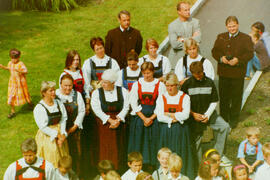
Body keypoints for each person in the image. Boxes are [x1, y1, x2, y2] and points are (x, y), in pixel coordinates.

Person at [181, 61, 230, 164]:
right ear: (192, 73)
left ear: (203, 71)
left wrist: (207, 115)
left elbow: (214, 101)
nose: (198, 76)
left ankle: (218, 155)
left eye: (200, 73)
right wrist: (193, 114)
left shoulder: (210, 82)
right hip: (193, 116)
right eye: (195, 74)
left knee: (224, 127)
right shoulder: (187, 84)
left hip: (209, 114)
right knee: (196, 139)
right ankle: (198, 163)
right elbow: (182, 103)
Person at [211, 16, 254, 127]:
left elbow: (250, 54)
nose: (232, 28)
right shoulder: (221, 37)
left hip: (237, 74)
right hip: (224, 73)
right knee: (224, 97)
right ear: (226, 26)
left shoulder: (245, 38)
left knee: (236, 97)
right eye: (229, 26)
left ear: (238, 25)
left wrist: (238, 60)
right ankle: (224, 119)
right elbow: (214, 51)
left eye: (234, 26)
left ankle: (234, 119)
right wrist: (221, 58)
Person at [156, 73, 194, 179]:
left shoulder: (185, 97)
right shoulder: (161, 97)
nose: (169, 88)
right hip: (166, 130)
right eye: (167, 85)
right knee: (166, 155)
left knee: (180, 154)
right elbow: (159, 116)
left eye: (172, 85)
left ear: (177, 85)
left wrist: (168, 114)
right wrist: (174, 118)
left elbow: (185, 115)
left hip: (180, 130)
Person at [129, 62, 166, 169]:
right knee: (139, 143)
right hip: (141, 118)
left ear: (153, 72)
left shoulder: (160, 85)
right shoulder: (137, 84)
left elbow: (161, 104)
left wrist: (151, 118)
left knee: (153, 142)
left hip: (154, 118)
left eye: (149, 73)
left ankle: (153, 167)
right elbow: (133, 103)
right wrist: (144, 118)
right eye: (144, 73)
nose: (147, 75)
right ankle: (139, 167)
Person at [91, 69, 129, 169]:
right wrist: (109, 120)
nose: (102, 84)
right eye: (102, 81)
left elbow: (126, 107)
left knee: (119, 148)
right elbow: (96, 109)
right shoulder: (96, 93)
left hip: (119, 125)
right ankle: (105, 170)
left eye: (105, 82)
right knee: (105, 149)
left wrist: (118, 120)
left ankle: (119, 170)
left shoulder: (123, 91)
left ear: (113, 82)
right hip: (104, 126)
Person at [33, 81, 69, 168]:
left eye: (54, 90)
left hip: (60, 133)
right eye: (50, 91)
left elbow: (64, 118)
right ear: (44, 93)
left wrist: (63, 133)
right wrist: (57, 135)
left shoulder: (58, 103)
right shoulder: (39, 108)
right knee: (51, 159)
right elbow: (43, 127)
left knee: (63, 159)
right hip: (47, 136)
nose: (54, 92)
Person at [56, 74, 85, 176]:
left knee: (76, 153)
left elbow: (82, 111)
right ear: (60, 85)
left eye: (70, 85)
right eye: (65, 85)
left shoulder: (77, 95)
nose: (68, 88)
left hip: (74, 129)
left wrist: (75, 126)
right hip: (60, 131)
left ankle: (76, 175)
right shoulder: (55, 95)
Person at [0, 48, 33, 118]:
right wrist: (3, 67)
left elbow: (26, 71)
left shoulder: (20, 64)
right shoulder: (10, 63)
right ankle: (13, 111)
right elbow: (9, 68)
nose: (13, 60)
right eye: (12, 58)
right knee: (11, 96)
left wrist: (19, 71)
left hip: (20, 83)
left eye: (15, 58)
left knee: (25, 94)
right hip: (12, 82)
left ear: (19, 57)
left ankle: (30, 104)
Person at [168, 1, 201, 67]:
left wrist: (183, 39)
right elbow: (174, 44)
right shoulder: (172, 26)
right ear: (179, 12)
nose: (188, 12)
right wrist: (192, 39)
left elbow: (198, 39)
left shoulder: (195, 22)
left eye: (189, 9)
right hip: (178, 58)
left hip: (194, 58)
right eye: (185, 10)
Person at [59, 50, 90, 114]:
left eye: (77, 60)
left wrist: (87, 103)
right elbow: (62, 92)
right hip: (71, 102)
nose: (76, 62)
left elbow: (86, 87)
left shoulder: (82, 72)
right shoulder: (64, 75)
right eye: (73, 60)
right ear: (69, 61)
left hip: (83, 100)